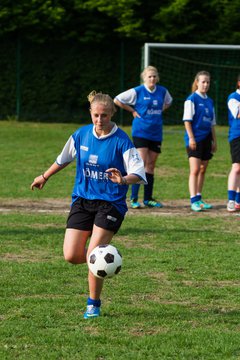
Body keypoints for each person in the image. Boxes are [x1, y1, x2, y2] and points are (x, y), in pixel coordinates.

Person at [30, 91, 147, 319]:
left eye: (104, 115)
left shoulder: (122, 141)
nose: (100, 120)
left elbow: (138, 173)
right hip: (83, 201)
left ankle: (93, 304)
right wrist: (44, 176)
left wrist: (123, 179)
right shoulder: (81, 135)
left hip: (111, 204)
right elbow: (62, 159)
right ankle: (106, 259)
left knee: (94, 253)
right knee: (72, 255)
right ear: (90, 113)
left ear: (112, 114)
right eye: (96, 115)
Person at [114, 65, 173, 209]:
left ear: (157, 78)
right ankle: (134, 198)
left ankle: (148, 199)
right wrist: (133, 111)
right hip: (141, 132)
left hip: (156, 132)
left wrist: (159, 110)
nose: (152, 79)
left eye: (154, 76)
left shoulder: (162, 91)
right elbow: (117, 99)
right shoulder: (138, 91)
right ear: (144, 78)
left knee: (151, 165)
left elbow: (168, 102)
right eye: (149, 76)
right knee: (140, 163)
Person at [182, 70, 217, 212]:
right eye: (203, 81)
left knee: (203, 170)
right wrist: (191, 138)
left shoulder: (209, 101)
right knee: (195, 170)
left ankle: (199, 198)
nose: (205, 84)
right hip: (195, 139)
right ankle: (193, 200)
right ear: (197, 82)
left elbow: (212, 123)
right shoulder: (192, 99)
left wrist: (214, 140)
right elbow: (187, 121)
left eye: (208, 82)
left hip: (207, 139)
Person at [226, 74, 240, 212]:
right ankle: (231, 200)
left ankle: (238, 200)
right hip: (237, 136)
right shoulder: (233, 97)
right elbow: (238, 113)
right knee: (236, 167)